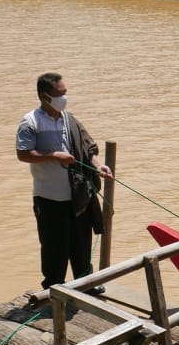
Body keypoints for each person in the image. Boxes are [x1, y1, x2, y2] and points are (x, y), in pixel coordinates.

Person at [15, 72, 113, 291]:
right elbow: (23, 154)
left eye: (65, 93)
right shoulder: (30, 122)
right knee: (54, 248)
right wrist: (53, 156)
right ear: (44, 96)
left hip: (78, 196)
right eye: (59, 94)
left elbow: (87, 148)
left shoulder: (69, 118)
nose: (64, 98)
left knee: (81, 243)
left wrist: (99, 166)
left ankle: (86, 284)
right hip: (50, 197)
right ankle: (53, 291)